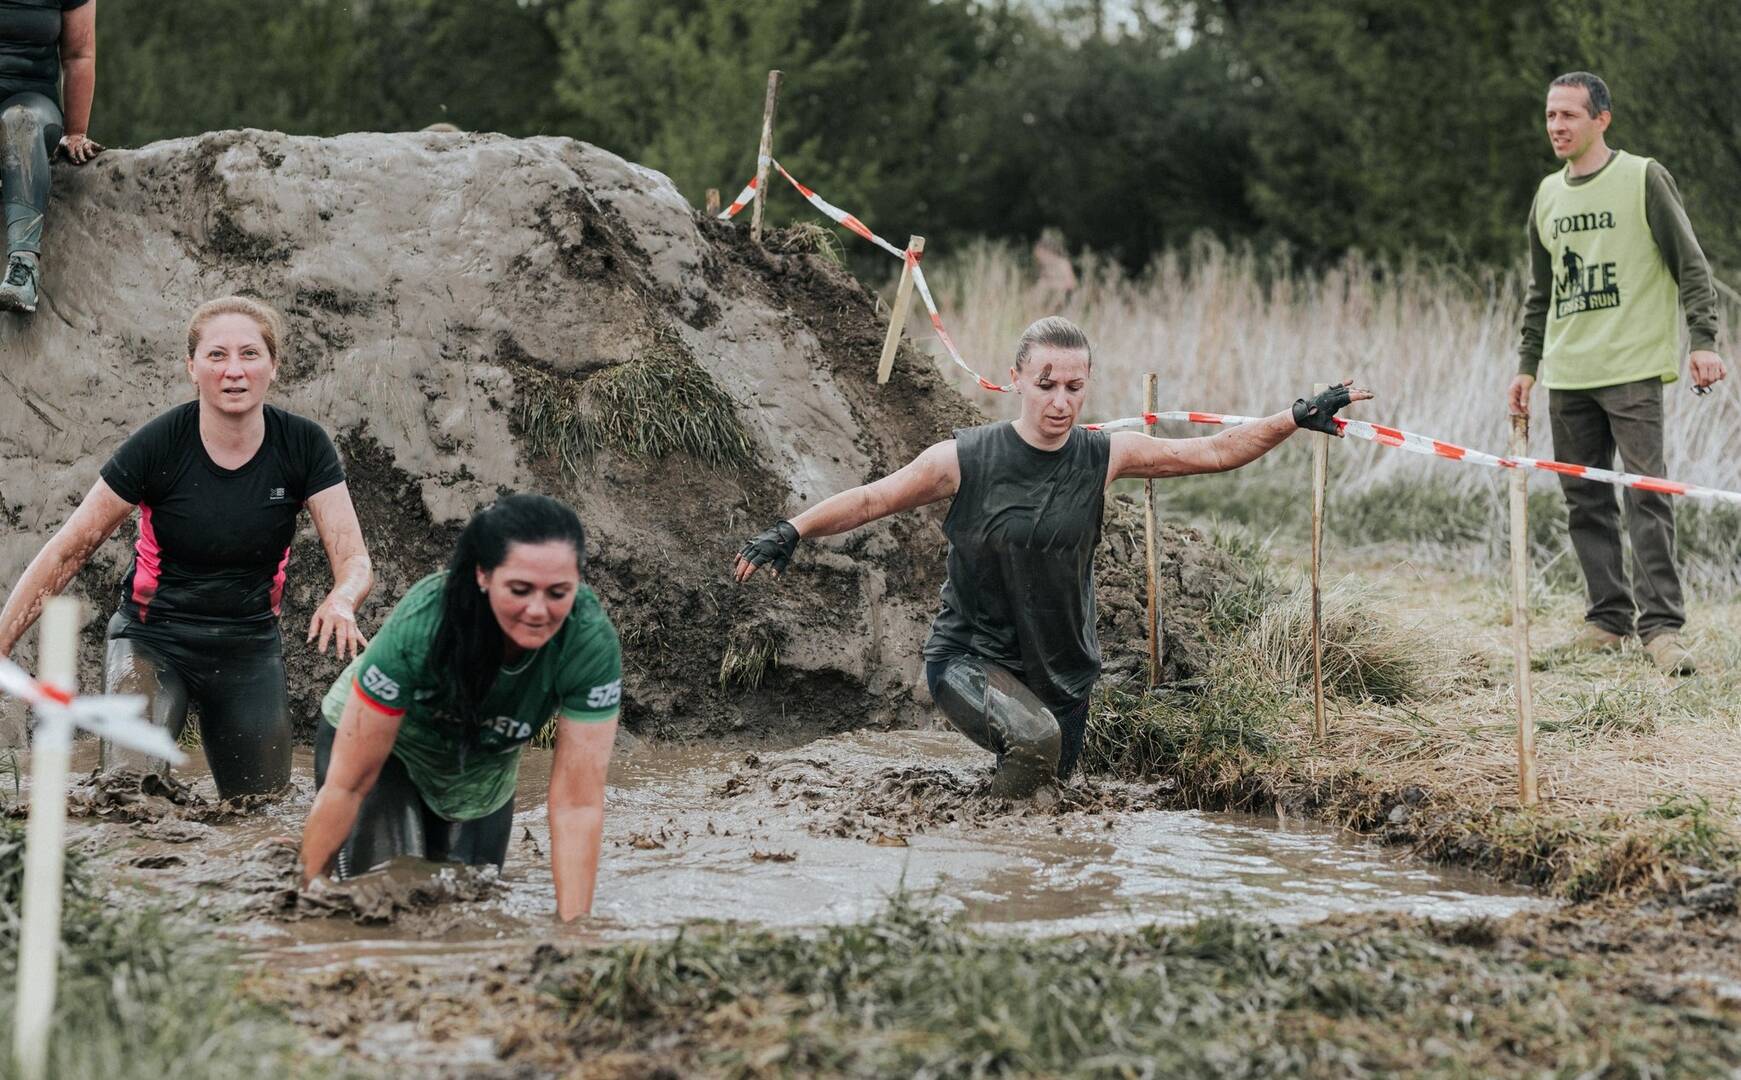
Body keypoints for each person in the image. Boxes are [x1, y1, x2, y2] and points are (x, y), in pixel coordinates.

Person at [734, 316, 1370, 795]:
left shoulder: (1105, 454)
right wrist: (792, 531)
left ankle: (1005, 865)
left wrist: (1292, 417)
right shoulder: (964, 458)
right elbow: (873, 499)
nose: (1060, 402)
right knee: (1034, 744)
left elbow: (1214, 453)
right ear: (1016, 381)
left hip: (1065, 671)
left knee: (1048, 785)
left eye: (1074, 386)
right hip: (969, 659)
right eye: (1046, 385)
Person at [0, 296, 372, 797]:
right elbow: (71, 548)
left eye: (250, 354)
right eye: (217, 356)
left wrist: (343, 598)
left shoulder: (304, 445)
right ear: (192, 367)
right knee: (129, 793)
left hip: (249, 647)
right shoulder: (159, 445)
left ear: (274, 366)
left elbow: (353, 558)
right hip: (152, 640)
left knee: (259, 812)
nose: (233, 371)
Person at [298, 494, 622, 923]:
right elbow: (349, 784)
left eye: (558, 593)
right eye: (520, 590)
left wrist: (575, 930)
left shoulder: (589, 643)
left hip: (480, 769)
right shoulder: (426, 621)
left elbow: (577, 803)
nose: (538, 611)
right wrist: (307, 893)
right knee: (387, 902)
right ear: (484, 576)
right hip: (390, 752)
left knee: (468, 913)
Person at [1506, 71, 1727, 675]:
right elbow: (1539, 292)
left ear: (1601, 118)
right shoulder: (1547, 195)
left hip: (1632, 369)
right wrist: (1528, 366)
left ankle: (1662, 630)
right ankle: (1608, 620)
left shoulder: (1643, 178)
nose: (1557, 126)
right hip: (1569, 372)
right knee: (1585, 501)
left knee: (1646, 495)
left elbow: (1692, 266)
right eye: (1551, 116)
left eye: (1569, 115)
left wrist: (1703, 341)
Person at [0, 0, 101, 314]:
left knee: (19, 121)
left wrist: (75, 132)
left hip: (31, 104)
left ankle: (23, 267)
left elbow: (78, 54)